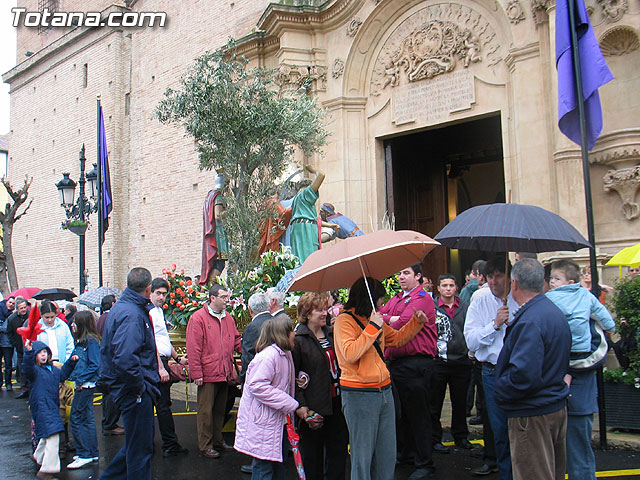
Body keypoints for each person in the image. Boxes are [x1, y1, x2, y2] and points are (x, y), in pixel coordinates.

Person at [334, 276, 430, 480]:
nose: (382, 303)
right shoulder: (344, 321)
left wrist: (416, 322)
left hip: (384, 391)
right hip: (359, 394)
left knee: (387, 453)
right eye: (379, 299)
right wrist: (373, 328)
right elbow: (350, 353)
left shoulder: (372, 316)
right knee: (363, 456)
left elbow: (396, 338)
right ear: (367, 298)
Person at [495, 259, 571, 480]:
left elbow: (523, 376)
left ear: (514, 284)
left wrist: (500, 389)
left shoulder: (531, 320)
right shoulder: (551, 311)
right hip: (552, 404)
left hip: (532, 413)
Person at [545, 259, 616, 479]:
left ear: (570, 281)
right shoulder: (587, 297)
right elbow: (607, 321)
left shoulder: (548, 300)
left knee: (575, 449)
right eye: (551, 278)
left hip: (570, 384)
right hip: (573, 373)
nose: (552, 282)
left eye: (556, 278)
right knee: (576, 451)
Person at [100, 267, 161, 480]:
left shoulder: (126, 309)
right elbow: (126, 358)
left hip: (131, 388)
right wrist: (139, 388)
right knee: (140, 450)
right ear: (148, 288)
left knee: (136, 445)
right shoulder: (132, 314)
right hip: (134, 391)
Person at [380, 264, 437, 480]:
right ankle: (406, 454)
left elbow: (401, 324)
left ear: (418, 276)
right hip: (397, 364)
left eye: (406, 273)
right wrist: (389, 318)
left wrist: (388, 319)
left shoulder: (421, 298)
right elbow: (381, 315)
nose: (401, 276)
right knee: (401, 414)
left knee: (419, 415)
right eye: (400, 272)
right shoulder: (397, 298)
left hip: (416, 364)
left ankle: (425, 462)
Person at [464, 256, 519, 479]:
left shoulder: (522, 299)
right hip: (492, 371)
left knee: (521, 429)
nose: (494, 281)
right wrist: (494, 325)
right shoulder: (480, 299)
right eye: (490, 276)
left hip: (518, 371)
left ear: (510, 277)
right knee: (499, 430)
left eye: (499, 275)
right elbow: (472, 341)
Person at [234, 314, 306, 479]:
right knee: (264, 468)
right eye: (291, 330)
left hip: (275, 422)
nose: (295, 333)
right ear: (282, 334)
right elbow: (257, 385)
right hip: (265, 423)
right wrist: (291, 404)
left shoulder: (283, 354)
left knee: (275, 465)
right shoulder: (269, 356)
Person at [292, 292, 348, 480]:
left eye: (325, 309)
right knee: (312, 457)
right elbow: (293, 377)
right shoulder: (299, 340)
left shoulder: (333, 334)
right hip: (314, 407)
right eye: (319, 310)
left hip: (338, 403)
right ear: (307, 313)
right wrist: (301, 406)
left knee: (338, 453)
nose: (324, 313)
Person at [186, 283, 241, 459]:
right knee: (205, 412)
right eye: (224, 297)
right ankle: (205, 445)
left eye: (227, 297)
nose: (227, 300)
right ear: (212, 298)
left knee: (219, 410)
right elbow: (193, 348)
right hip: (208, 373)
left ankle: (218, 440)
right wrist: (197, 374)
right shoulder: (198, 318)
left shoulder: (228, 318)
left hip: (223, 372)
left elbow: (236, 341)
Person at [22, 339, 78, 480]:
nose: (43, 355)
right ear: (35, 355)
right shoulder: (34, 371)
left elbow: (63, 375)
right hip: (41, 406)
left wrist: (71, 362)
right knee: (53, 435)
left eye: (45, 352)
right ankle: (47, 470)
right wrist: (28, 352)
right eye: (40, 352)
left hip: (51, 406)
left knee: (48, 434)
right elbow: (27, 368)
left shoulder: (52, 370)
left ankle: (39, 456)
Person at [430, 274, 473, 453]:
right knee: (435, 402)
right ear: (438, 289)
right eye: (444, 285)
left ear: (456, 288)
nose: (448, 288)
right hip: (438, 361)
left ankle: (461, 436)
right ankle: (434, 438)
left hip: (461, 361)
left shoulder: (465, 306)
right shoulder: (431, 307)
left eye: (451, 285)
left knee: (460, 401)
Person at [149, 278, 189, 458]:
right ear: (150, 292)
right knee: (162, 405)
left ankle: (163, 443)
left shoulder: (159, 311)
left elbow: (164, 338)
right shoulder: (149, 312)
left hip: (164, 360)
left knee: (162, 404)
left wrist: (178, 358)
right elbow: (151, 342)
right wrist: (160, 368)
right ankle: (169, 444)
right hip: (156, 363)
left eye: (164, 294)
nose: (162, 297)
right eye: (158, 293)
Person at [67, 311, 101, 469]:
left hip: (85, 385)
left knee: (76, 418)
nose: (72, 325)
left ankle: (84, 453)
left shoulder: (90, 342)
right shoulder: (83, 341)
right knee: (87, 418)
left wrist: (80, 379)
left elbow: (95, 364)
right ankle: (92, 452)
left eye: (75, 322)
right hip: (85, 383)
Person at [290, 165, 338, 263]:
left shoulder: (297, 200)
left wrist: (330, 225)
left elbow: (314, 219)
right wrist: (312, 170)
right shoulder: (306, 194)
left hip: (298, 228)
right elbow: (321, 175)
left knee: (299, 257)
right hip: (306, 230)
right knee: (309, 258)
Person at [96, 294, 123, 437]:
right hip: (110, 361)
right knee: (111, 395)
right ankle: (109, 424)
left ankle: (109, 422)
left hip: (105, 360)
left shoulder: (101, 318)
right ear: (112, 304)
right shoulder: (110, 318)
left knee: (108, 395)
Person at [200, 172, 230, 284]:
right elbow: (218, 215)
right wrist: (232, 211)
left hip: (216, 233)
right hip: (219, 234)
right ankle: (211, 287)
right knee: (219, 263)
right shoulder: (218, 196)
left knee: (218, 263)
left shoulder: (210, 195)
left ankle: (211, 286)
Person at [240, 292, 272, 384]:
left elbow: (248, 358)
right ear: (268, 306)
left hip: (258, 379)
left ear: (249, 309)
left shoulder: (252, 327)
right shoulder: (279, 322)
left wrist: (243, 379)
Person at [7, 298, 30, 397]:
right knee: (22, 369)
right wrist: (15, 344)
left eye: (25, 307)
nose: (24, 310)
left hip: (30, 347)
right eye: (21, 308)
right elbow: (10, 333)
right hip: (20, 348)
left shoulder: (30, 316)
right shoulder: (12, 319)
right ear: (17, 309)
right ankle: (24, 388)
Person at [0, 295, 16, 391]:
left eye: (13, 304)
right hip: (1, 342)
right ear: (6, 302)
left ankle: (8, 383)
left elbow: (9, 329)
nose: (11, 305)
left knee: (8, 365)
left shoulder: (12, 316)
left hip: (8, 344)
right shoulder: (1, 311)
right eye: (10, 302)